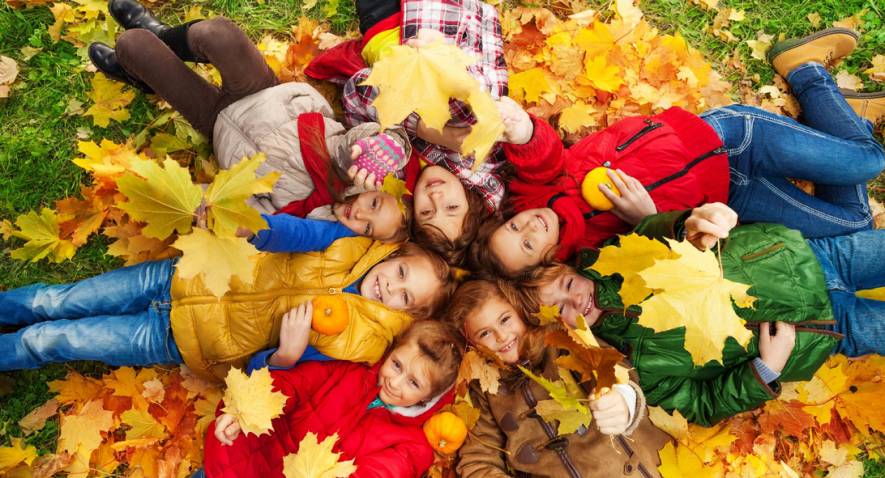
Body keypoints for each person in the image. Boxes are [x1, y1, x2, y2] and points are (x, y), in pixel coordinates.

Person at [471, 28, 885, 277]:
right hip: (728, 197)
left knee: (870, 162)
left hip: (724, 138)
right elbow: (664, 258)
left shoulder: (540, 193)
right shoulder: (591, 258)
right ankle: (847, 118)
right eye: (528, 246)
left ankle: (806, 70)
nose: (529, 229)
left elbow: (540, 158)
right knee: (853, 226)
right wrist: (647, 220)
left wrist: (523, 131)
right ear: (547, 262)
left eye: (513, 229)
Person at [519, 202, 885, 426]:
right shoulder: (632, 365)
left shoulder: (615, 257)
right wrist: (765, 370)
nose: (577, 301)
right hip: (818, 333)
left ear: (572, 269)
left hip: (807, 260)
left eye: (568, 286)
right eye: (562, 310)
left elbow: (661, 230)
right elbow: (701, 403)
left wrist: (694, 221)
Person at [88, 0, 413, 242]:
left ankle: (142, 73)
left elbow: (244, 206)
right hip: (263, 93)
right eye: (373, 204)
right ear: (379, 187)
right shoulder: (354, 168)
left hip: (216, 122)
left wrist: (209, 206)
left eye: (367, 227)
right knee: (218, 34)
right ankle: (165, 34)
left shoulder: (306, 219)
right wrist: (385, 145)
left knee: (133, 46)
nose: (360, 212)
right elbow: (356, 144)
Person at [0, 224, 457, 380]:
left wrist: (287, 355)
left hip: (177, 339)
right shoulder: (351, 245)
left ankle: (16, 351)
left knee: (56, 338)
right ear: (395, 254)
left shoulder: (361, 345)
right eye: (399, 273)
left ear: (410, 315)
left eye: (404, 298)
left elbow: (266, 379)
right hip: (180, 276)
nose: (390, 289)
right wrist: (256, 230)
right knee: (54, 299)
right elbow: (297, 233)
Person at [448, 280, 671, 477]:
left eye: (505, 319)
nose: (501, 336)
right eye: (484, 333)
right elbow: (477, 459)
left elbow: (611, 369)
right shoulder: (485, 389)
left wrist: (621, 398)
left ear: (521, 312)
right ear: (473, 346)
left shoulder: (561, 341)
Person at [308, 0, 509, 214]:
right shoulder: (483, 174)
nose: (435, 198)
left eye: (426, 212)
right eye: (451, 208)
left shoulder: (396, 172)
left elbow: (360, 88)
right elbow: (485, 96)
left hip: (385, 25)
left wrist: (418, 129)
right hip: (448, 20)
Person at [202, 320, 464, 477]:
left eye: (413, 383)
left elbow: (386, 472)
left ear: (428, 397)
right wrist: (246, 410)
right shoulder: (349, 373)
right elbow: (293, 385)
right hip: (249, 460)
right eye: (396, 365)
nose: (395, 382)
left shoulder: (412, 444)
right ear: (392, 351)